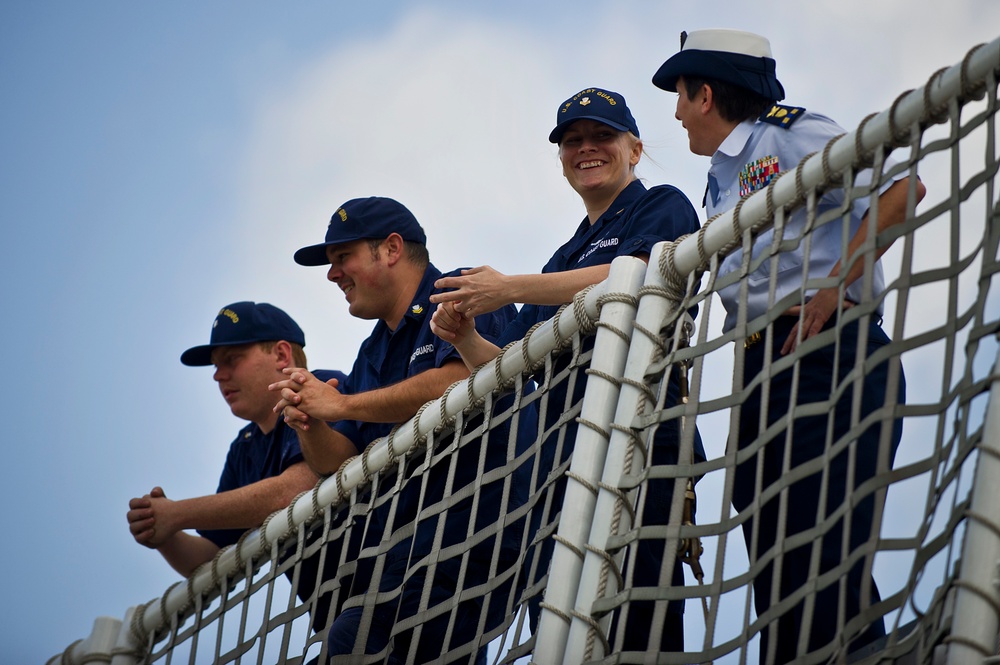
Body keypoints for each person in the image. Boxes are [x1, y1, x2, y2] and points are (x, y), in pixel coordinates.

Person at [652, 28, 926, 663]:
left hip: (827, 351)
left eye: (681, 95)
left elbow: (902, 190)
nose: (675, 112)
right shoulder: (717, 184)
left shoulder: (790, 133)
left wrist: (836, 285)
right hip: (761, 372)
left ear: (708, 93)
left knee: (817, 535)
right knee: (773, 543)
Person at [430, 87, 704, 653]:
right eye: (572, 141)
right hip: (562, 469)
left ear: (635, 147)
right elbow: (509, 368)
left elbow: (634, 272)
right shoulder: (565, 255)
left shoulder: (662, 205)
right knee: (557, 630)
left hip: (638, 444)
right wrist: (465, 338)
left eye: (602, 136)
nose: (587, 149)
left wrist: (509, 286)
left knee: (637, 623)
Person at [269, 196, 520, 663]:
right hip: (398, 559)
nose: (331, 274)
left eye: (342, 258)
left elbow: (458, 380)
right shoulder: (373, 349)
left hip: (465, 543)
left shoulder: (460, 291)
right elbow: (337, 461)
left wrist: (341, 402)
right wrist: (310, 420)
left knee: (347, 651)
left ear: (391, 249)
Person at [126, 301, 346, 582]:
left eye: (232, 359)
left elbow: (293, 492)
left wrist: (177, 514)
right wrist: (161, 531)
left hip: (387, 586)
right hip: (334, 614)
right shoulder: (243, 448)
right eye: (216, 365)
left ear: (281, 355)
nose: (218, 375)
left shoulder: (325, 388)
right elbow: (206, 562)